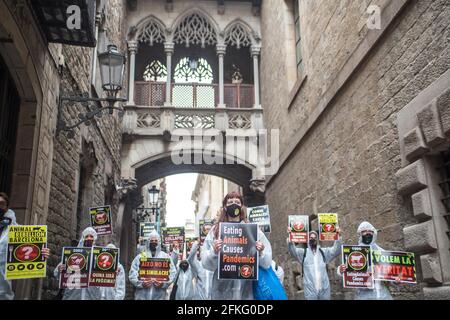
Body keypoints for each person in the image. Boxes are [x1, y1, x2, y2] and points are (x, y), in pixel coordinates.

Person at [201, 191, 272, 300]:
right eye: (230, 202)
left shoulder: (253, 231)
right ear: (225, 207)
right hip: (221, 292)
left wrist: (261, 251)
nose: (234, 204)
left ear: (241, 206)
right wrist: (214, 252)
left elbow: (267, 263)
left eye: (237, 202)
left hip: (246, 291)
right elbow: (206, 264)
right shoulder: (215, 231)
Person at [0, 193, 50, 300]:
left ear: (7, 207)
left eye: (2, 204)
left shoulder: (17, 231)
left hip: (3, 291)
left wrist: (41, 255)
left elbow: (32, 255)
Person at [337, 221, 400, 300]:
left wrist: (395, 280)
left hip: (383, 294)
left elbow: (389, 272)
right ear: (360, 234)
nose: (368, 233)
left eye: (370, 231)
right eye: (364, 231)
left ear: (374, 233)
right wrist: (340, 270)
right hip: (363, 295)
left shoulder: (381, 252)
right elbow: (346, 275)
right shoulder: (354, 252)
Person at [287, 228, 342, 300]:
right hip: (310, 290)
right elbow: (293, 250)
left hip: (324, 289)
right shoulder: (303, 253)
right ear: (308, 240)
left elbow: (335, 250)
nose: (313, 239)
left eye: (315, 237)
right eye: (311, 237)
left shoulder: (323, 252)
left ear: (317, 240)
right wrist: (290, 236)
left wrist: (338, 235)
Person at [54, 227, 101, 300]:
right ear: (83, 237)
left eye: (91, 236)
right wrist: (60, 269)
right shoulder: (74, 253)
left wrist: (113, 272)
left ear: (94, 238)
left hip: (92, 295)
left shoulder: (98, 256)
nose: (89, 238)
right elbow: (57, 273)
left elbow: (105, 275)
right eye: (87, 236)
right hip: (73, 295)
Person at [129, 230, 176, 300]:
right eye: (152, 240)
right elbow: (132, 274)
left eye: (155, 241)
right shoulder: (140, 257)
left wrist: (163, 284)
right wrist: (141, 283)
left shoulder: (165, 257)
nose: (153, 242)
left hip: (160, 296)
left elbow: (172, 273)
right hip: (141, 296)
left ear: (159, 242)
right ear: (148, 242)